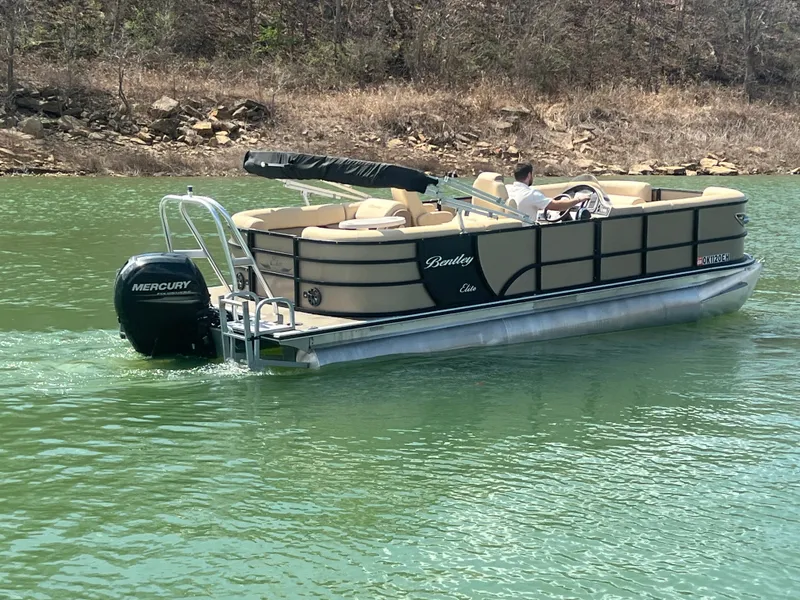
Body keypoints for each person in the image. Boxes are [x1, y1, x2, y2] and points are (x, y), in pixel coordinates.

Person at [506, 162, 591, 218]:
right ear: (529, 175)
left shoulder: (507, 189)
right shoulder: (531, 194)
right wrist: (579, 199)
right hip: (528, 234)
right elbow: (558, 206)